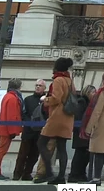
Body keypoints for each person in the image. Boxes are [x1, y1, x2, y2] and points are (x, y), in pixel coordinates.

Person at [36, 56, 75, 184]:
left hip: (57, 116)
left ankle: (49, 172)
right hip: (67, 117)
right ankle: (61, 177)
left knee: (41, 143)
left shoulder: (58, 80)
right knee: (62, 147)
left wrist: (45, 100)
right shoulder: (69, 80)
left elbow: (56, 98)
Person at [0, 79, 24, 179]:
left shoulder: (8, 96)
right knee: (1, 151)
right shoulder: (13, 98)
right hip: (7, 129)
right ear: (18, 87)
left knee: (0, 150)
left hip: (4, 128)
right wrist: (13, 131)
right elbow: (12, 116)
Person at [13, 79, 46, 181]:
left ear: (44, 88)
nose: (37, 87)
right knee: (23, 154)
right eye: (36, 85)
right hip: (28, 131)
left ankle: (27, 173)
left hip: (40, 132)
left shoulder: (46, 101)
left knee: (34, 155)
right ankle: (17, 174)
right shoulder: (28, 99)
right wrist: (30, 122)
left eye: (40, 85)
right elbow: (23, 113)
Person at [68, 85, 95, 183]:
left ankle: (81, 173)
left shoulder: (90, 103)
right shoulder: (82, 102)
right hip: (80, 132)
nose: (94, 94)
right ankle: (74, 174)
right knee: (79, 154)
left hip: (86, 132)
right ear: (88, 92)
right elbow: (79, 117)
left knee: (86, 154)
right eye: (93, 92)